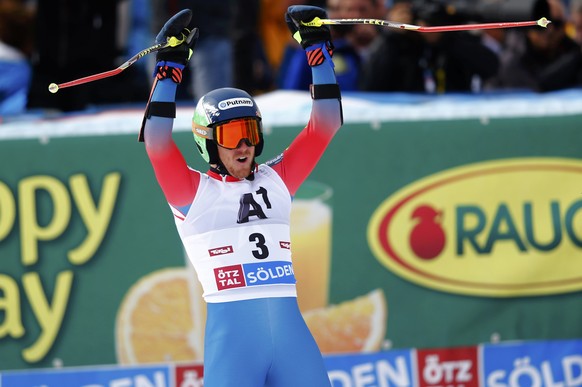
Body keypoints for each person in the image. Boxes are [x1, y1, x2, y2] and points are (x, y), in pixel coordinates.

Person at [139, 5, 342, 387]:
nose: (245, 144)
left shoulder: (276, 179)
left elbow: (326, 121)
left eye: (250, 130)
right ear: (209, 144)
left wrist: (316, 49)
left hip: (291, 339)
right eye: (232, 136)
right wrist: (169, 68)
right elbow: (156, 142)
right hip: (235, 344)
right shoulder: (193, 193)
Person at [360, 0, 500, 93]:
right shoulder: (392, 41)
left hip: (454, 109)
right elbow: (369, 86)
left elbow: (491, 67)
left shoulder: (455, 35)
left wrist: (443, 39)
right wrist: (392, 34)